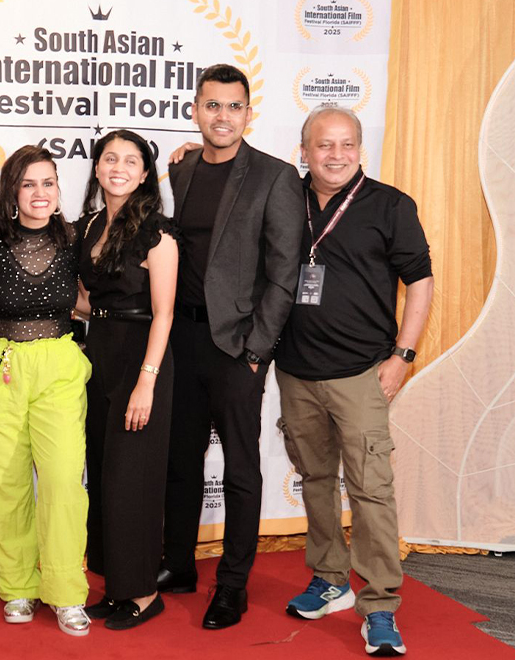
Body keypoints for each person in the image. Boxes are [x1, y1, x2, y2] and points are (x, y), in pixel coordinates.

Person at [274, 105, 433, 657]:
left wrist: (403, 356)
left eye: (346, 144)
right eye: (324, 145)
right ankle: (329, 579)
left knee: (371, 490)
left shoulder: (390, 205)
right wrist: (189, 154)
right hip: (295, 372)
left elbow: (420, 281)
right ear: (304, 151)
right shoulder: (283, 197)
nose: (335, 155)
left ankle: (381, 604)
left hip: (363, 372)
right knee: (316, 479)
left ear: (360, 150)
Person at [159, 63, 304, 630]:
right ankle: (178, 564)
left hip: (237, 345)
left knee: (241, 468)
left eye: (233, 106)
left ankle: (233, 585)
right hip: (181, 338)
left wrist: (256, 350)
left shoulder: (274, 176)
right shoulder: (183, 169)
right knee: (180, 460)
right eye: (212, 105)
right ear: (196, 109)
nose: (223, 116)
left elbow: (285, 274)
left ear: (248, 112)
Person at [0, 146, 93, 636]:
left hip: (58, 364)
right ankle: (17, 584)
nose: (40, 193)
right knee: (1, 481)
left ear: (59, 189)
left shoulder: (76, 237)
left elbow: (98, 296)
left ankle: (65, 590)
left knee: (62, 481)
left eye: (49, 182)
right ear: (12, 192)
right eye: (29, 184)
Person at [75, 130, 178, 630]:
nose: (118, 168)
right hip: (98, 357)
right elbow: (86, 301)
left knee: (130, 481)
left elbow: (164, 314)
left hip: (142, 358)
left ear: (143, 174)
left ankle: (143, 592)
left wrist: (147, 382)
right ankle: (117, 586)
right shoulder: (88, 226)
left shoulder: (158, 232)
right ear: (97, 168)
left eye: (130, 161)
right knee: (102, 475)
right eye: (110, 159)